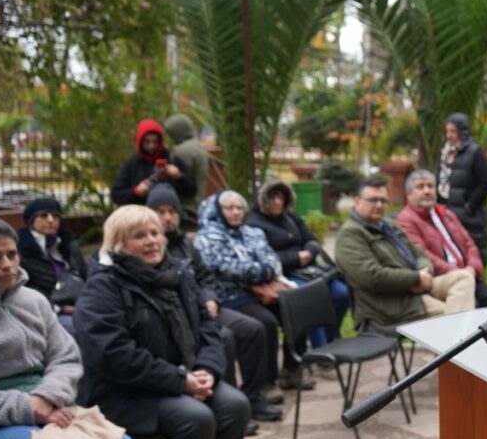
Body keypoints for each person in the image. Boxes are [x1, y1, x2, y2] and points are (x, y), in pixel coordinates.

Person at [75, 205, 250, 439]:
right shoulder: (103, 288)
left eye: (155, 232)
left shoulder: (178, 274)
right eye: (139, 236)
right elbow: (115, 356)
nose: (152, 240)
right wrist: (180, 381)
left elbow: (209, 329)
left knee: (235, 406)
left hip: (181, 380)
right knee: (196, 419)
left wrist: (208, 370)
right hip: (122, 395)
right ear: (118, 244)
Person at [0, 217, 142, 439]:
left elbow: (66, 357)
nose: (6, 264)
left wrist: (47, 398)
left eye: (11, 255)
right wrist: (29, 408)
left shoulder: (33, 301)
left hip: (51, 403)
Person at [146, 184, 282, 424]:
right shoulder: (149, 248)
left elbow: (205, 276)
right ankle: (227, 404)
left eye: (173, 212)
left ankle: (252, 396)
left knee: (253, 329)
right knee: (225, 337)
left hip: (203, 308)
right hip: (176, 315)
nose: (167, 218)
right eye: (161, 211)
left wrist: (209, 297)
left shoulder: (185, 245)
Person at [195, 190, 313, 392]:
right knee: (265, 322)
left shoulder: (253, 232)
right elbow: (224, 266)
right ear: (217, 210)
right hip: (231, 295)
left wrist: (262, 270)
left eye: (240, 207)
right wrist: (262, 271)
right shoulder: (208, 236)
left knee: (297, 308)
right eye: (229, 208)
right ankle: (266, 383)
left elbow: (273, 260)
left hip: (262, 291)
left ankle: (292, 371)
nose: (235, 212)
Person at [336, 177, 476, 331]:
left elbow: (420, 254)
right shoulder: (350, 234)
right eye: (373, 200)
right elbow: (371, 276)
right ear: (357, 201)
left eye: (383, 201)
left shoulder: (387, 224)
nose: (379, 205)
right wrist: (414, 279)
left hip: (417, 287)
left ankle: (454, 349)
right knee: (453, 317)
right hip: (389, 304)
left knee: (464, 277)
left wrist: (424, 275)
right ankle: (458, 347)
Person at [246, 179, 349, 345]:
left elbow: (312, 240)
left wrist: (309, 252)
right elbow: (263, 256)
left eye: (281, 197)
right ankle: (322, 349)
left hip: (310, 270)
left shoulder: (290, 217)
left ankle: (331, 337)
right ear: (263, 199)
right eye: (272, 197)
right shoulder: (253, 224)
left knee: (342, 294)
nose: (278, 202)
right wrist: (295, 258)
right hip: (283, 276)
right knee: (312, 298)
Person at [397, 169, 487, 308]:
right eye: (420, 187)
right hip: (442, 279)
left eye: (430, 186)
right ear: (408, 194)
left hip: (469, 275)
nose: (427, 191)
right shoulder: (406, 220)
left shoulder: (446, 214)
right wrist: (457, 272)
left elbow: (469, 244)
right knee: (477, 312)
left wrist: (472, 268)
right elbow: (423, 254)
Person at [16, 197, 87, 336]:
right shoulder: (22, 250)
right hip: (47, 312)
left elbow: (86, 276)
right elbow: (25, 290)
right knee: (76, 328)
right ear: (31, 221)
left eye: (55, 216)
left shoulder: (69, 244)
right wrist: (59, 309)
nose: (50, 220)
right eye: (43, 215)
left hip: (81, 306)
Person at [437, 112, 487, 265]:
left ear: (463, 131)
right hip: (448, 216)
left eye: (453, 131)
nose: (449, 135)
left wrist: (469, 207)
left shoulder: (475, 152)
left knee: (475, 261)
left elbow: (486, 183)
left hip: (471, 219)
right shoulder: (446, 154)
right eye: (447, 131)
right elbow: (441, 182)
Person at [111, 118, 197, 206]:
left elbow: (192, 191)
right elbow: (116, 195)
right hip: (142, 215)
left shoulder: (173, 160)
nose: (151, 146)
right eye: (147, 142)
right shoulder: (133, 164)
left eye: (155, 142)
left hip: (167, 215)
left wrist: (179, 176)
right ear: (140, 142)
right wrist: (136, 191)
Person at [164, 114, 211, 220]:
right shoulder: (198, 146)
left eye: (171, 133)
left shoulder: (183, 151)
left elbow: (181, 180)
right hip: (198, 203)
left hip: (187, 207)